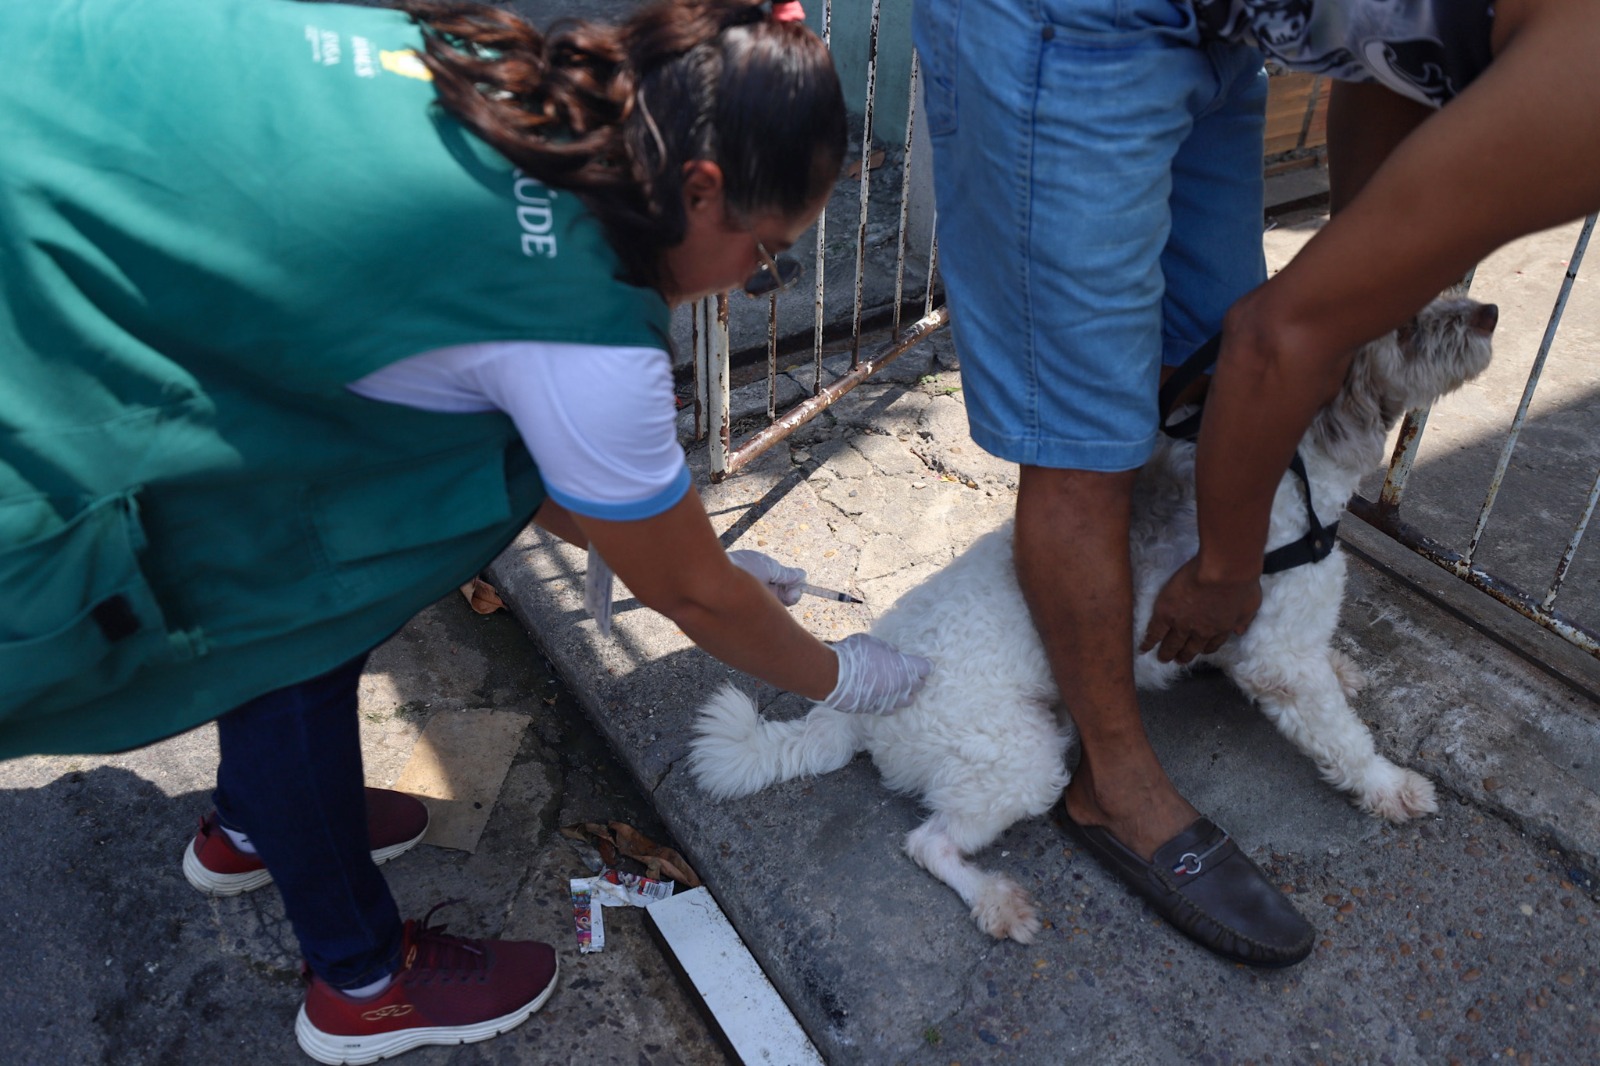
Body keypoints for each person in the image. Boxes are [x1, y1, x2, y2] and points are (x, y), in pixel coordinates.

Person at [0, 0, 929, 1061]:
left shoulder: (501, 70)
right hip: (42, 302)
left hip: (57, 106)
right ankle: (360, 982)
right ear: (703, 190)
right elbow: (692, 594)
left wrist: (666, 545)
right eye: (765, 255)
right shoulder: (585, 338)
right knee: (278, 609)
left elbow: (522, 453)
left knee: (309, 571)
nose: (752, 282)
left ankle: (261, 818)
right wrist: (839, 674)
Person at [911, 0, 1599, 968]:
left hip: (1215, 24)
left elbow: (1386, 86)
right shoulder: (1586, 82)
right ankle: (1113, 779)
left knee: (1193, 366)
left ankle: (1145, 613)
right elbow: (1278, 339)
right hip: (1065, 18)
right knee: (1087, 440)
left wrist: (1355, 342)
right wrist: (1229, 567)